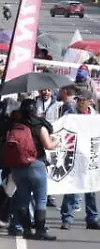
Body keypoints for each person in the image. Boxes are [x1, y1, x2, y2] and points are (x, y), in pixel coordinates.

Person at [2, 98, 59, 240]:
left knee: (23, 198)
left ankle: (26, 230)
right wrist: (57, 141)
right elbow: (48, 145)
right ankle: (40, 231)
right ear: (35, 111)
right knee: (40, 199)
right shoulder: (39, 126)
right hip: (36, 165)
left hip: (17, 167)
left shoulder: (14, 125)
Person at [59, 96, 100, 231]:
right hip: (75, 155)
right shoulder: (71, 114)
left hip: (90, 155)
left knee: (91, 189)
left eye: (82, 100)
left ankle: (92, 219)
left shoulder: (95, 116)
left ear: (89, 101)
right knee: (72, 188)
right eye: (78, 100)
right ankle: (67, 218)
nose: (80, 103)